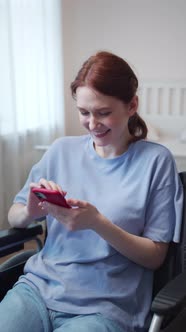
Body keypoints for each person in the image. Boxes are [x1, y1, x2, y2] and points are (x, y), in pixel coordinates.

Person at [0, 51, 183, 332]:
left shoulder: (156, 162)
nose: (92, 124)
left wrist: (97, 223)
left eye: (104, 113)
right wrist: (29, 212)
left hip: (106, 305)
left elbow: (155, 256)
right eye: (84, 112)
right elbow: (15, 216)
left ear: (132, 105)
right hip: (38, 289)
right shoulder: (61, 150)